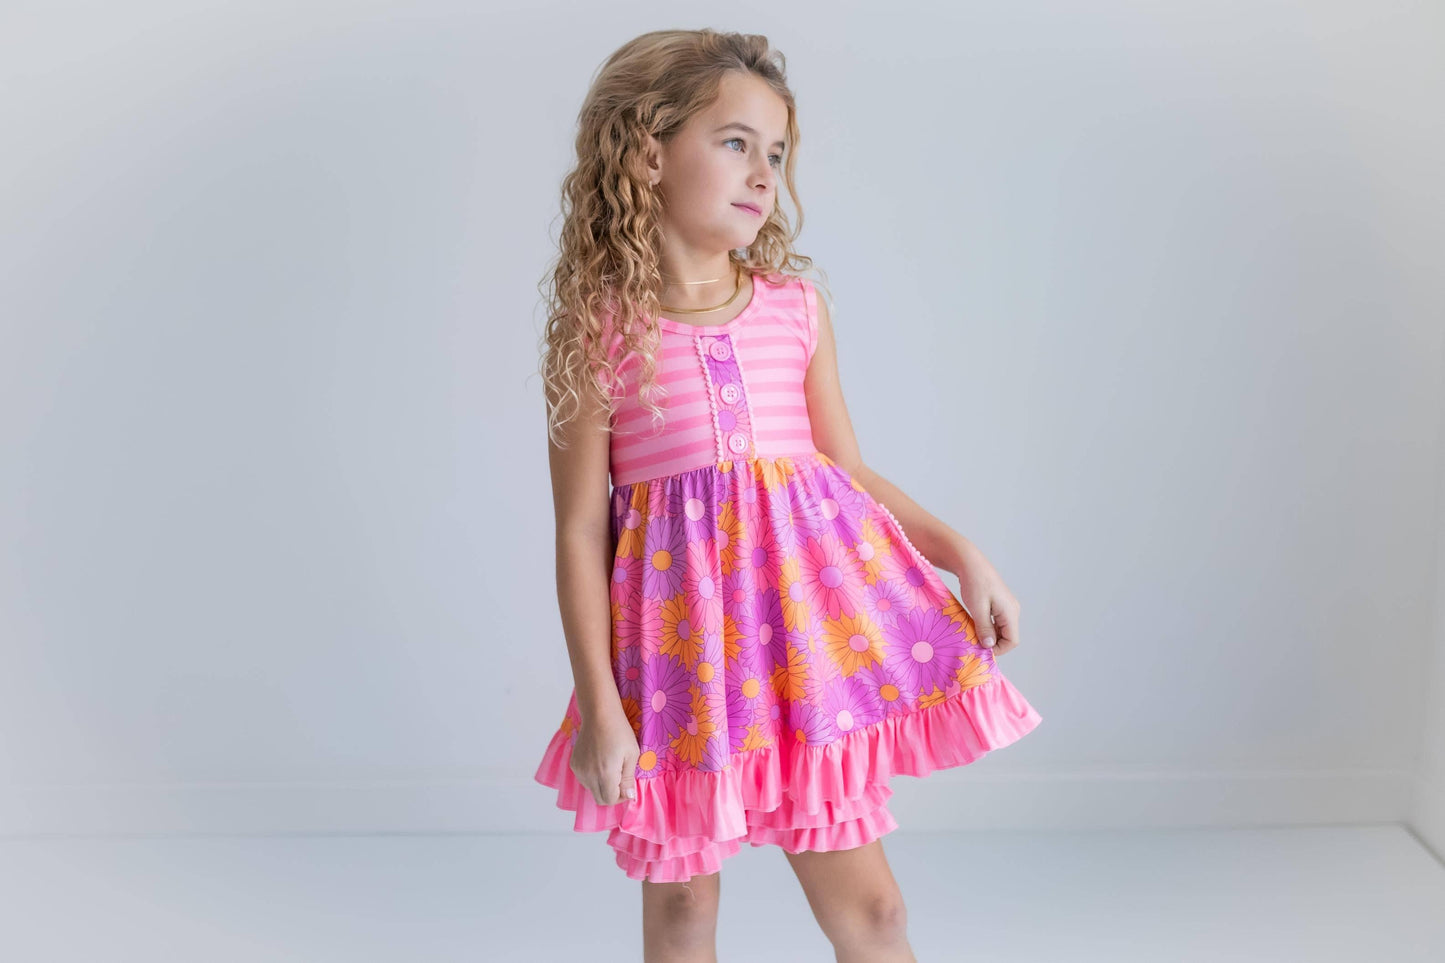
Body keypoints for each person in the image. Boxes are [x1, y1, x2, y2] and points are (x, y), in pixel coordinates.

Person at [533, 28, 1043, 962]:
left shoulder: (794, 309)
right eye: (734, 142)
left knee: (875, 911)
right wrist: (600, 705)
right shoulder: (598, 326)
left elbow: (846, 472)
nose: (763, 171)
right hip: (679, 669)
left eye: (775, 152)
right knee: (683, 912)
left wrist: (962, 553)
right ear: (646, 151)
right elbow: (579, 529)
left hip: (805, 654)